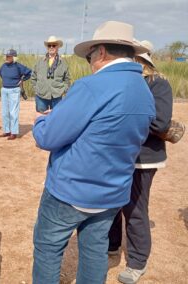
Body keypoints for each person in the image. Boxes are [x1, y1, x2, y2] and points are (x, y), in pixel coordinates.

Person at [32, 21, 156, 283]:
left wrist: (42, 119)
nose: (89, 62)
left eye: (89, 56)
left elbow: (48, 136)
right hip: (112, 193)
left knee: (48, 249)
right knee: (95, 250)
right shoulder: (144, 91)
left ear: (100, 52)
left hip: (70, 190)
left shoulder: (90, 86)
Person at [108, 40, 173, 284]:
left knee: (135, 209)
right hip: (120, 155)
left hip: (144, 158)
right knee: (112, 204)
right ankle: (111, 247)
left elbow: (161, 123)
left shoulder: (158, 83)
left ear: (141, 60)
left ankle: (137, 262)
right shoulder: (128, 82)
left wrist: (126, 117)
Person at [0, 49, 32, 140]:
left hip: (14, 90)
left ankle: (14, 132)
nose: (7, 57)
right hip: (4, 90)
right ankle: (7, 131)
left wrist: (22, 80)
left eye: (9, 56)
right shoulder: (3, 66)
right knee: (5, 112)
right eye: (6, 56)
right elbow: (0, 73)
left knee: (13, 113)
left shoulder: (18, 66)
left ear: (14, 57)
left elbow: (29, 72)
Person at [31, 36, 70, 113]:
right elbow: (33, 77)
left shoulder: (63, 63)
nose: (51, 47)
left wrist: (63, 90)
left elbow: (67, 80)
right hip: (41, 96)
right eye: (49, 45)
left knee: (56, 119)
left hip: (57, 96)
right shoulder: (39, 62)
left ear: (57, 47)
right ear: (47, 47)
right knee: (41, 118)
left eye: (54, 45)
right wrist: (36, 89)